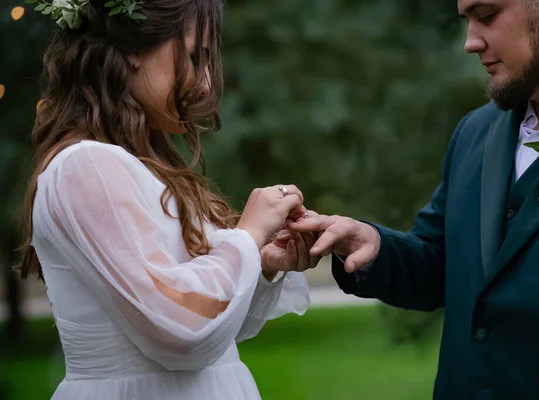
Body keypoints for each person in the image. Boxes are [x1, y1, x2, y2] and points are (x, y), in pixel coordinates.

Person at [289, 0, 539, 398]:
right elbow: (441, 264)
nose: (470, 42)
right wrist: (372, 245)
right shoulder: (474, 133)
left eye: (486, 16)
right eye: (466, 20)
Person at [16, 0, 316, 399]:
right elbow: (180, 332)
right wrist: (247, 235)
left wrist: (260, 263)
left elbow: (214, 337)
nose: (206, 84)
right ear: (132, 48)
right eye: (194, 57)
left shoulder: (142, 166)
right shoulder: (85, 166)